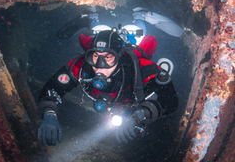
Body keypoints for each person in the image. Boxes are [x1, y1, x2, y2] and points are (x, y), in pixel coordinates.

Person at [37, 25, 178, 146]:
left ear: (119, 57)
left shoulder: (140, 68)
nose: (100, 66)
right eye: (96, 56)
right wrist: (50, 113)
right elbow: (53, 87)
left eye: (108, 57)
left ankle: (138, 22)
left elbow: (170, 100)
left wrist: (139, 115)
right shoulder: (82, 66)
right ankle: (94, 23)